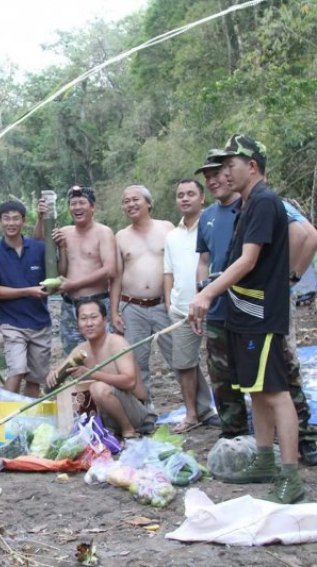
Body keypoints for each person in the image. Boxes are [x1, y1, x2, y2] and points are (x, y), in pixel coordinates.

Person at [189, 134, 304, 503]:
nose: (225, 172)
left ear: (251, 166)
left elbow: (248, 260)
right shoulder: (247, 204)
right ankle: (265, 458)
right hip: (242, 313)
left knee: (275, 391)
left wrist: (207, 293)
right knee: (254, 389)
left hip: (260, 316)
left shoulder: (266, 202)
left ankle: (290, 476)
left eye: (230, 165)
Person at [111, 185, 218, 426]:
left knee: (182, 358)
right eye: (125, 201)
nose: (130, 204)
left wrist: (175, 300)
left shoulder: (168, 229)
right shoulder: (120, 236)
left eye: (135, 199)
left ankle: (203, 409)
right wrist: (114, 310)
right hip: (132, 306)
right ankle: (143, 414)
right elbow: (116, 277)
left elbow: (178, 267)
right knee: (136, 362)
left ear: (148, 203)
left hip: (163, 304)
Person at [46, 300, 149, 440]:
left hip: (136, 412)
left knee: (98, 388)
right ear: (78, 323)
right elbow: (57, 378)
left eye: (94, 317)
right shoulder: (80, 350)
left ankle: (128, 430)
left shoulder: (117, 343)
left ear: (105, 320)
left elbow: (130, 382)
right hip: (105, 415)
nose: (89, 323)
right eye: (83, 319)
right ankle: (105, 431)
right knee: (75, 396)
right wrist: (53, 376)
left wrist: (90, 373)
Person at [0, 201, 51, 398]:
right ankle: (4, 422)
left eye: (15, 218)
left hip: (41, 324)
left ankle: (27, 423)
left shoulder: (37, 248)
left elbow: (52, 277)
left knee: (35, 379)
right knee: (17, 370)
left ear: (23, 220)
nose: (10, 223)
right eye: (6, 219)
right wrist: (29, 291)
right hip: (13, 324)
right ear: (0, 222)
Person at [163, 180, 207, 433]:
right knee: (184, 364)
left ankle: (226, 413)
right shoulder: (172, 236)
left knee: (221, 363)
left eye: (191, 194)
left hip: (212, 305)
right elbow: (168, 271)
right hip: (181, 310)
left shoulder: (213, 224)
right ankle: (191, 414)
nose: (185, 199)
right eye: (180, 195)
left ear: (202, 198)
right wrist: (169, 301)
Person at [51, 186, 116, 356]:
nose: (77, 207)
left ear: (92, 207)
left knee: (103, 355)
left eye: (82, 202)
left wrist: (74, 284)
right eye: (73, 203)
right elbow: (39, 241)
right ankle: (78, 384)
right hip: (70, 305)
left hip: (98, 303)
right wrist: (62, 248)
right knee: (72, 356)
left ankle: (103, 383)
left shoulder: (104, 232)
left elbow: (110, 269)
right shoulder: (64, 233)